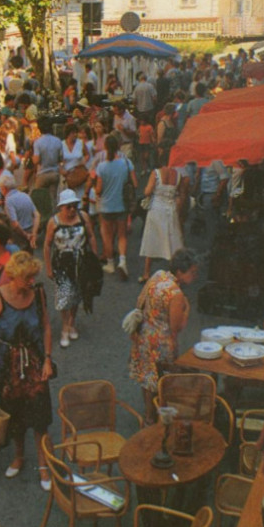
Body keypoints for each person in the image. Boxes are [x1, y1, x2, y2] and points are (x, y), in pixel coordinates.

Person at [0, 250, 53, 489]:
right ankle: (19, 457)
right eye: (27, 278)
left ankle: (43, 466)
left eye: (33, 277)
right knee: (14, 416)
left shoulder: (38, 293)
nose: (31, 282)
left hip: (33, 361)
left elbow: (45, 327)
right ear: (14, 276)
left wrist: (47, 360)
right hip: (7, 363)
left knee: (40, 416)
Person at [128, 249, 199, 423]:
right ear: (180, 272)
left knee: (147, 379)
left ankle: (148, 415)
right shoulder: (176, 294)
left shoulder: (158, 275)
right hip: (162, 344)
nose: (195, 276)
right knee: (162, 381)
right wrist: (187, 310)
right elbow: (176, 327)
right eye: (192, 272)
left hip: (144, 336)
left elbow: (140, 301)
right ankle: (160, 418)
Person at [43, 188, 97, 348]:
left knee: (77, 294)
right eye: (68, 207)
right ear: (61, 207)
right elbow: (47, 245)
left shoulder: (83, 217)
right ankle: (65, 328)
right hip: (61, 263)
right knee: (64, 295)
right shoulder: (54, 222)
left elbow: (92, 236)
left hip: (80, 262)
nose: (72, 209)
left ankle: (71, 322)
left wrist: (94, 259)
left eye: (74, 205)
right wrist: (48, 267)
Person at [94, 133, 136, 280]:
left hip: (106, 205)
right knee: (122, 235)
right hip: (122, 204)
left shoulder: (101, 167)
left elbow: (98, 190)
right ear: (119, 146)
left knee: (107, 235)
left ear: (105, 148)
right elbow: (135, 183)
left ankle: (110, 263)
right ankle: (123, 262)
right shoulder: (126, 163)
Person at [138, 164, 188, 282]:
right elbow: (182, 194)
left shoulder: (156, 173)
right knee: (172, 240)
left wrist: (147, 189)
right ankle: (176, 274)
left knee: (151, 239)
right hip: (171, 209)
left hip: (156, 209)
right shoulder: (178, 174)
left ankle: (146, 273)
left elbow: (148, 191)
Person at [0, 171, 39, 251]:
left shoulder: (9, 201)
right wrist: (34, 234)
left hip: (19, 235)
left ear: (4, 189)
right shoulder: (25, 195)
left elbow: (15, 224)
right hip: (30, 228)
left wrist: (26, 235)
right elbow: (37, 215)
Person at [31, 117, 64, 207]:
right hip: (54, 173)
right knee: (52, 198)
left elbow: (36, 160)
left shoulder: (38, 142)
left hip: (42, 173)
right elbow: (61, 158)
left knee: (40, 199)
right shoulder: (58, 141)